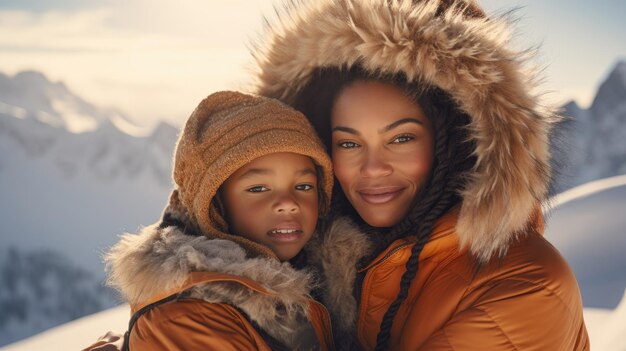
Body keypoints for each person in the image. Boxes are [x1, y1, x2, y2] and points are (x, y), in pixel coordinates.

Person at [251, 0, 590, 350]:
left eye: (401, 138)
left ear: (459, 140)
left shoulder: (524, 283)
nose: (372, 168)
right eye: (349, 143)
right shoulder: (314, 260)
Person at [84, 91, 335, 350]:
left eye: (304, 186)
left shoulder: (313, 278)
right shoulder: (186, 318)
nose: (288, 203)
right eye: (258, 189)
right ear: (214, 204)